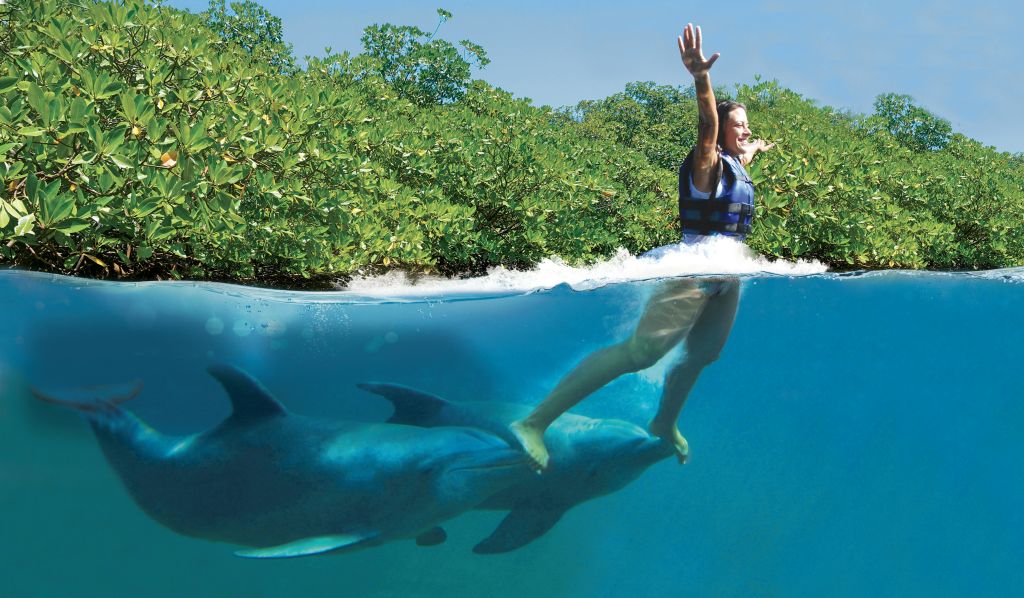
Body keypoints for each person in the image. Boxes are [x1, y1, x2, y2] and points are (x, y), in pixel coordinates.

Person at [510, 23, 774, 471]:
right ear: (720, 132)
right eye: (738, 125)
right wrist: (700, 78)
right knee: (641, 353)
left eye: (748, 124)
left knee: (704, 354)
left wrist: (754, 149)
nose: (746, 130)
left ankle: (663, 423)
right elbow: (708, 127)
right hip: (695, 267)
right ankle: (534, 423)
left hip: (729, 272)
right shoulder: (705, 162)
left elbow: (740, 154)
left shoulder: (736, 162)